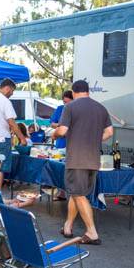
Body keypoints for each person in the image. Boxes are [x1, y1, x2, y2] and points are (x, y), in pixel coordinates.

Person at [51, 79, 113, 245]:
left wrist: (54, 134)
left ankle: (91, 232)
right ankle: (68, 226)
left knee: (77, 194)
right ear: (88, 92)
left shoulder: (70, 107)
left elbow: (62, 130)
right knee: (78, 194)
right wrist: (94, 139)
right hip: (93, 159)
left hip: (77, 159)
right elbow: (109, 132)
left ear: (72, 93)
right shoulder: (101, 108)